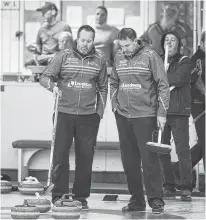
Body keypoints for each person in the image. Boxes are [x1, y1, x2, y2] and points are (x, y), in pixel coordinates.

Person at [39, 25, 108, 210]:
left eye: (89, 41)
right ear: (77, 39)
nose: (85, 44)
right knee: (60, 156)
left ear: (93, 41)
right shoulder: (63, 56)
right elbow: (45, 76)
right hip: (63, 113)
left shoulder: (99, 61)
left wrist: (99, 114)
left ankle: (81, 197)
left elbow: (103, 88)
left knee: (85, 157)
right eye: (83, 40)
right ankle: (58, 195)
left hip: (88, 117)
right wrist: (51, 86)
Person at [110, 28, 170, 214]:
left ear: (136, 41)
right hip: (123, 116)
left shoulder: (151, 56)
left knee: (149, 159)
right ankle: (136, 200)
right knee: (129, 161)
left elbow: (163, 85)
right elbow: (114, 81)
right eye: (121, 46)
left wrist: (162, 113)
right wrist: (114, 104)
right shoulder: (119, 56)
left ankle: (156, 200)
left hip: (145, 116)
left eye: (127, 45)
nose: (124, 49)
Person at [159, 31, 193, 201]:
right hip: (161, 112)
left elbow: (179, 78)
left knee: (182, 151)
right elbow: (152, 79)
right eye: (166, 40)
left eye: (173, 40)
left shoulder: (184, 60)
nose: (169, 43)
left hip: (179, 112)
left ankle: (186, 187)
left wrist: (163, 74)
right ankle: (168, 185)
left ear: (178, 44)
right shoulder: (158, 60)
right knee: (162, 151)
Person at [172, 31, 205, 185]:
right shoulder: (196, 60)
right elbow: (191, 85)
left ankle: (178, 169)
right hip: (199, 105)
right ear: (203, 43)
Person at [25, 2, 72, 66]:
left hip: (58, 61)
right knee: (29, 62)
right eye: (42, 13)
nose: (42, 15)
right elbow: (39, 50)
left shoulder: (64, 27)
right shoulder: (41, 30)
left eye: (44, 12)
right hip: (43, 61)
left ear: (53, 12)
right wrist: (33, 48)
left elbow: (69, 49)